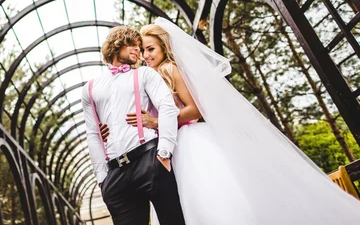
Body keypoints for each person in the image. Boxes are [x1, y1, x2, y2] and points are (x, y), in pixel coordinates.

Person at [102, 18, 360, 224]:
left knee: (210, 199)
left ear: (164, 47)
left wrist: (157, 123)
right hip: (165, 148)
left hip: (189, 143)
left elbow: (194, 109)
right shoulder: (147, 77)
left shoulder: (169, 69)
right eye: (143, 50)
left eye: (151, 49)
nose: (146, 55)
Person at [81, 25, 186, 225]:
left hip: (148, 158)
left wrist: (164, 152)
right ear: (116, 44)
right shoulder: (90, 88)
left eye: (140, 46)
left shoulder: (145, 74)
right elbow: (93, 134)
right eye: (132, 44)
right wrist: (102, 178)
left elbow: (167, 107)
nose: (138, 50)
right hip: (115, 173)